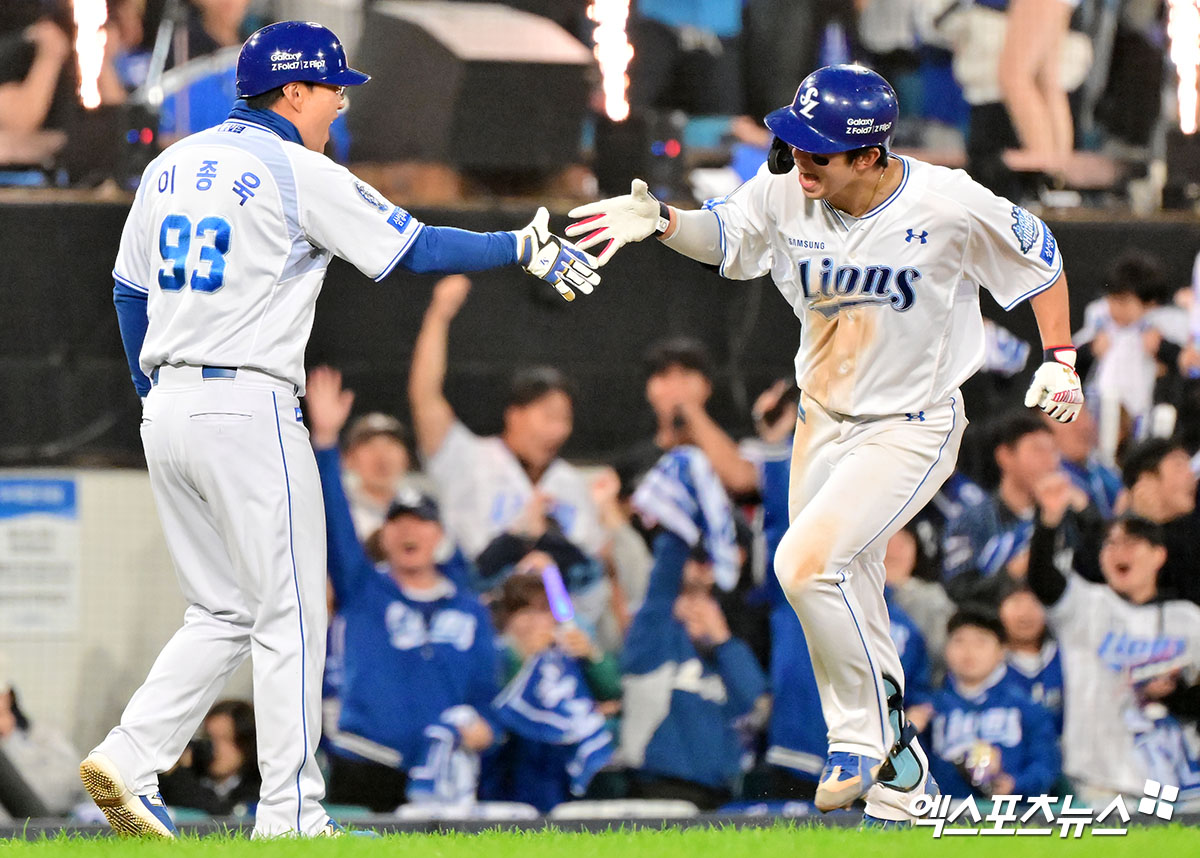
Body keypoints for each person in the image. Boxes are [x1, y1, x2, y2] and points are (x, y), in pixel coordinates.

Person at [85, 19, 599, 839]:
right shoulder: (296, 168)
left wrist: (152, 386)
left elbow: (126, 292)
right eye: (330, 87)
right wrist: (519, 245)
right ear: (291, 91)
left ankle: (130, 755)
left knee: (221, 610)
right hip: (247, 404)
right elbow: (416, 248)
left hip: (170, 408)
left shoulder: (170, 164)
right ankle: (290, 815)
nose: (338, 101)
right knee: (291, 614)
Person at [565, 63, 1084, 824]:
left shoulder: (946, 200)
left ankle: (860, 742)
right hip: (822, 419)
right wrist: (667, 223)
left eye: (821, 149)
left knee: (804, 564)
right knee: (848, 585)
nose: (800, 156)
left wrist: (1062, 360)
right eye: (796, 140)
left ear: (870, 155)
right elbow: (730, 239)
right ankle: (903, 774)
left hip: (912, 423)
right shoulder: (785, 190)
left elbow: (1042, 260)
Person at [307, 366, 498, 812]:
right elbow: (334, 519)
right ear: (384, 538)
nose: (409, 534)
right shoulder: (363, 588)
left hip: (447, 770)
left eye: (421, 524)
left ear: (439, 536)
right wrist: (326, 444)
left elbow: (486, 695)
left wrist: (488, 725)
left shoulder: (470, 610)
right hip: (366, 763)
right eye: (398, 525)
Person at [408, 275, 613, 637]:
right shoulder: (470, 457)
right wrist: (438, 315)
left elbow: (590, 577)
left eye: (565, 419)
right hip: (475, 622)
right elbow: (425, 399)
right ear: (514, 414)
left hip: (555, 631)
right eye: (548, 415)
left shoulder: (569, 483)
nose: (559, 429)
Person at [1029, 474, 1200, 805]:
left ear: (1158, 555)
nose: (1119, 551)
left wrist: (1179, 696)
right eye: (1111, 544)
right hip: (1101, 785)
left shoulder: (1188, 618)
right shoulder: (1086, 605)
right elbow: (1043, 580)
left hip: (1183, 787)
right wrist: (1048, 523)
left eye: (1132, 543)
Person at [926, 608, 1060, 801]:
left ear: (1002, 650)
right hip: (943, 815)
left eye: (980, 642)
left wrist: (1015, 784)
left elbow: (1046, 765)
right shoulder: (931, 708)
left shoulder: (1026, 706)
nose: (968, 652)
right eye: (959, 641)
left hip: (1013, 816)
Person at [158, 700, 260, 816]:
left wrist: (179, 775)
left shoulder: (259, 784)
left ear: (246, 742)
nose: (214, 748)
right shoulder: (191, 774)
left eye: (225, 739)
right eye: (209, 738)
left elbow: (223, 812)